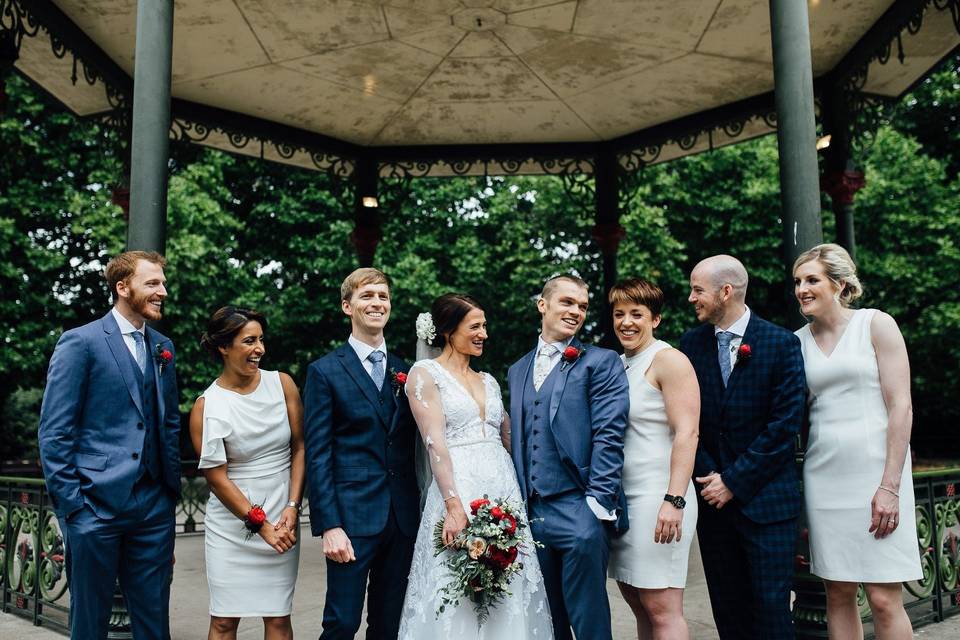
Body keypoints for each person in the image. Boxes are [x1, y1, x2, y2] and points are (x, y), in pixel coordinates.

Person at [38, 250, 181, 639]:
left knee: (154, 621)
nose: (162, 291)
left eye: (162, 283)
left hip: (153, 507)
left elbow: (168, 423)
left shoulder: (162, 346)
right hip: (94, 506)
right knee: (89, 623)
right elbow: (54, 431)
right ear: (122, 287)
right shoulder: (80, 342)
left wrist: (169, 495)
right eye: (152, 283)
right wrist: (74, 507)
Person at [399, 293, 553, 638]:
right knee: (457, 588)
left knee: (508, 585)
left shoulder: (489, 380)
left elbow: (511, 437)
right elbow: (434, 443)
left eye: (484, 325)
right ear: (449, 330)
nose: (484, 333)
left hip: (502, 489)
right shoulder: (425, 374)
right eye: (475, 326)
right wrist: (454, 506)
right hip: (458, 489)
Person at [793, 243, 921, 638]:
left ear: (840, 284)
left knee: (884, 597)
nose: (801, 289)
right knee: (838, 591)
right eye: (797, 281)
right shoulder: (796, 340)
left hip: (877, 474)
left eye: (812, 279)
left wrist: (889, 486)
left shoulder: (876, 324)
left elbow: (901, 406)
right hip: (824, 477)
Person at [678, 255, 806, 639]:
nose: (691, 298)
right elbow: (688, 422)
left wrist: (732, 480)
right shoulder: (691, 344)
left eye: (698, 290)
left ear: (726, 292)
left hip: (767, 504)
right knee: (728, 610)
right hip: (714, 506)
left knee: (771, 610)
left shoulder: (781, 343)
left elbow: (785, 426)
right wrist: (710, 477)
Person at [507, 274, 630, 640]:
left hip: (580, 509)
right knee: (546, 624)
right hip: (532, 515)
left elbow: (610, 433)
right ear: (542, 305)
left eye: (582, 306)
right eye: (567, 302)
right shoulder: (516, 370)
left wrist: (595, 504)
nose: (576, 311)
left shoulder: (602, 362)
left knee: (589, 622)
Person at [303, 268, 420, 639]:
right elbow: (318, 453)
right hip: (350, 519)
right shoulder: (324, 372)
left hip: (402, 518)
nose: (377, 303)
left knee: (389, 625)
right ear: (347, 305)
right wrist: (329, 526)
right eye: (367, 295)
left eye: (383, 296)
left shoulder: (409, 370)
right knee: (341, 622)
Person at [189, 307, 305, 639]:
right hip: (232, 525)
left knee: (278, 618)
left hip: (284, 515)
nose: (260, 349)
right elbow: (216, 477)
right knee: (225, 621)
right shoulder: (206, 406)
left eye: (261, 340)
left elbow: (299, 447)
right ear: (224, 347)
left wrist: (292, 508)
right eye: (249, 341)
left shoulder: (283, 385)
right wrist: (261, 525)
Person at [607, 278, 700, 640]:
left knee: (662, 608)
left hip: (659, 497)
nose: (626, 322)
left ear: (655, 318)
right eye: (619, 314)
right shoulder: (617, 363)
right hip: (623, 499)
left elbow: (687, 433)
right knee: (636, 600)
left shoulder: (670, 361)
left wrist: (673, 500)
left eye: (636, 314)